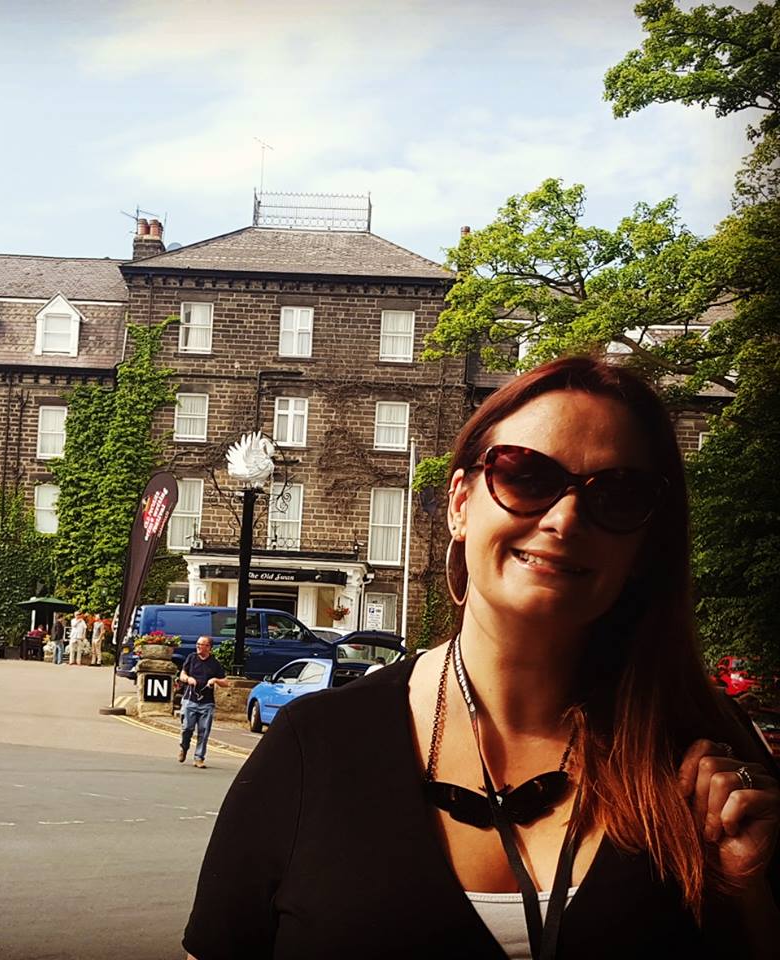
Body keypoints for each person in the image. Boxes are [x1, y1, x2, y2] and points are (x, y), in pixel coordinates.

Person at [182, 357, 780, 959]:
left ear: (646, 542)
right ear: (461, 503)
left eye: (619, 495)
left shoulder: (709, 754)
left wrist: (749, 891)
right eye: (526, 476)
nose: (565, 518)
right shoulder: (316, 743)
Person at [178, 636, 228, 769]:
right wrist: (188, 679)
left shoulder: (215, 663)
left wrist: (215, 680)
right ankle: (184, 747)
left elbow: (225, 682)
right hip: (190, 700)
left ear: (209, 647)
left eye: (202, 644)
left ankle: (199, 758)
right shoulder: (192, 658)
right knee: (187, 728)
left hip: (207, 702)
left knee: (204, 731)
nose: (199, 647)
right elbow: (182, 675)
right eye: (198, 644)